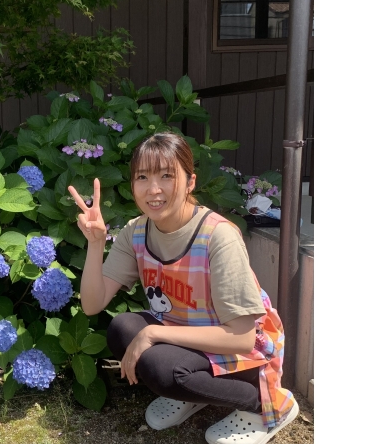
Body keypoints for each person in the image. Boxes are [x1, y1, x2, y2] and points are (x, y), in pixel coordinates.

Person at [67, 132, 299, 444]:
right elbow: (92, 304)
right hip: (187, 332)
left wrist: (153, 333)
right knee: (122, 330)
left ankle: (266, 404)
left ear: (190, 182)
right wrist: (95, 244)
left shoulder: (218, 236)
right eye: (142, 177)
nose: (153, 189)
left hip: (243, 349)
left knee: (162, 369)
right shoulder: (136, 231)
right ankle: (191, 393)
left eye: (167, 176)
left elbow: (243, 337)